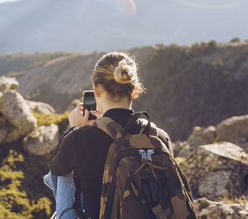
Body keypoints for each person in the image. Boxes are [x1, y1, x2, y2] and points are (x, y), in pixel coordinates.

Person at [48, 51, 174, 219]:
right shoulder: (159, 136)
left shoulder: (81, 138)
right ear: (135, 91)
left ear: (96, 90)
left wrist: (74, 128)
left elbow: (56, 169)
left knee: (63, 173)